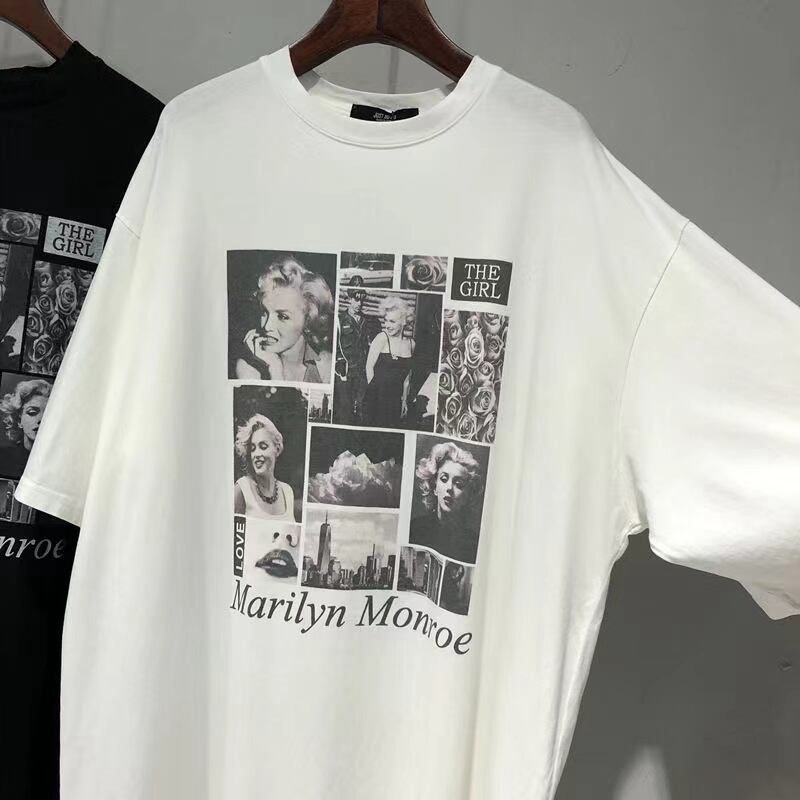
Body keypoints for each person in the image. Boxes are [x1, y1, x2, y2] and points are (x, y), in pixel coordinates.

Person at [234, 256, 333, 384]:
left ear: (308, 320)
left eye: (282, 316)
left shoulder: (326, 367)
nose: (267, 326)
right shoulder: (248, 369)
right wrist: (275, 369)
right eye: (264, 312)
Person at [409, 439, 483, 563]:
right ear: (434, 487)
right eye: (444, 479)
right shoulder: (416, 529)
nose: (449, 488)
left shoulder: (473, 544)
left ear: (468, 496)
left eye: (458, 484)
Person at [363, 294, 415, 428]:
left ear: (403, 321)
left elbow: (407, 378)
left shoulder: (411, 344)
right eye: (386, 321)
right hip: (376, 399)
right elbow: (369, 367)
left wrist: (404, 401)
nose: (387, 325)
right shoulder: (381, 338)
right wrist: (373, 395)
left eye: (392, 321)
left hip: (395, 401)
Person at [233, 413, 297, 521]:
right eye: (253, 449)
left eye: (263, 447)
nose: (257, 454)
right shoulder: (242, 490)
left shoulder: (287, 491)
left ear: (277, 449)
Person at [0, 378, 51, 476]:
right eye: (32, 412)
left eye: (48, 414)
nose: (41, 420)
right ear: (19, 420)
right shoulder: (2, 458)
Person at [333, 288, 368, 424]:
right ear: (349, 299)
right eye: (356, 299)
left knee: (360, 409)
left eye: (362, 300)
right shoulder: (339, 320)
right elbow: (335, 347)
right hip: (345, 373)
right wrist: (340, 367)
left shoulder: (365, 321)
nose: (359, 303)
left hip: (361, 373)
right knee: (345, 410)